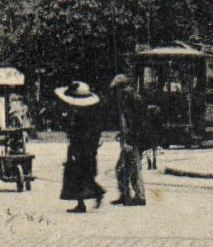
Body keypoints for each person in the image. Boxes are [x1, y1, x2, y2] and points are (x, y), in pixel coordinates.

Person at [56, 81, 105, 212]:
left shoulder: (82, 115)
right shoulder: (90, 112)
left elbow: (79, 132)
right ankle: (84, 200)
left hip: (81, 147)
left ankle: (92, 195)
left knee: (79, 174)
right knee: (83, 174)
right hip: (87, 148)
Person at [108, 74, 148, 206]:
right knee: (123, 168)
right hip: (130, 139)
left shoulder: (131, 99)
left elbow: (134, 122)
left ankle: (138, 196)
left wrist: (129, 140)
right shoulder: (128, 98)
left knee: (131, 169)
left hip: (133, 140)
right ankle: (126, 195)